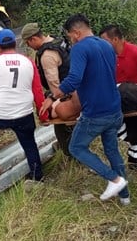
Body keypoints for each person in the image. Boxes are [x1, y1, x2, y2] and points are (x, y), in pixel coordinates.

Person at [40, 14, 129, 203]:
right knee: (112, 150)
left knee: (76, 147)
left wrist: (51, 97)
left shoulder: (80, 48)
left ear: (77, 32)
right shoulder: (106, 45)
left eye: (70, 36)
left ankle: (114, 179)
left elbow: (74, 79)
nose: (71, 40)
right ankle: (125, 197)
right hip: (114, 109)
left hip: (95, 113)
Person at [0, 29, 48, 181]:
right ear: (15, 43)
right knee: (30, 144)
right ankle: (37, 176)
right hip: (24, 114)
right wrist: (42, 115)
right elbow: (38, 91)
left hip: (0, 115)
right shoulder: (29, 62)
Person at [99, 24, 137, 171]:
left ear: (114, 39)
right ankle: (131, 151)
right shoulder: (107, 56)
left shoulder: (135, 53)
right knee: (113, 126)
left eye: (104, 41)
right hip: (118, 100)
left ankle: (136, 165)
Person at [21, 22, 74, 156]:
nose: (29, 46)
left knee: (60, 124)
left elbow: (54, 83)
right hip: (76, 87)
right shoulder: (57, 40)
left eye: (28, 43)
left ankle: (69, 152)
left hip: (66, 92)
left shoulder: (47, 56)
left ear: (33, 39)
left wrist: (54, 103)